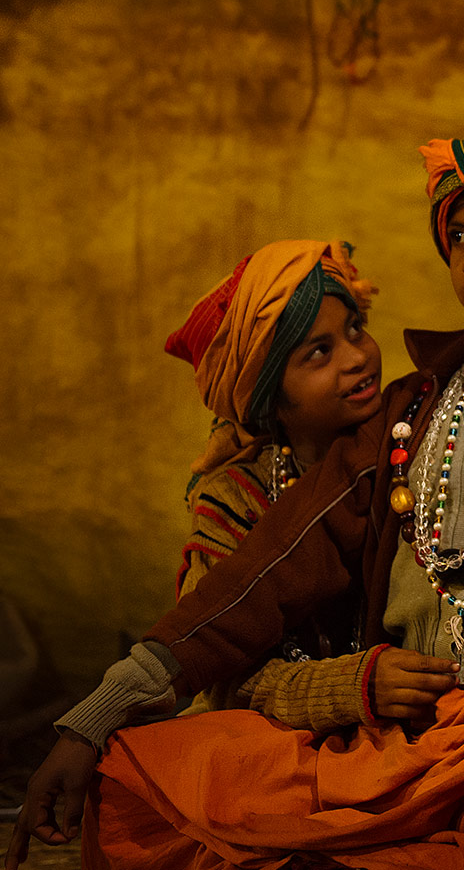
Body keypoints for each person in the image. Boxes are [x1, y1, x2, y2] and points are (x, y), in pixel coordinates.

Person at [6, 128, 464, 870]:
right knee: (140, 785)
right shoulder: (407, 412)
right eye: (458, 237)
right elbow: (260, 577)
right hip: (404, 737)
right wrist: (91, 721)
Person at [163, 239, 383, 714]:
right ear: (269, 397)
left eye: (356, 329)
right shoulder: (234, 499)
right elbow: (221, 672)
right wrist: (350, 688)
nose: (356, 357)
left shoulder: (406, 446)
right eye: (319, 352)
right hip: (273, 730)